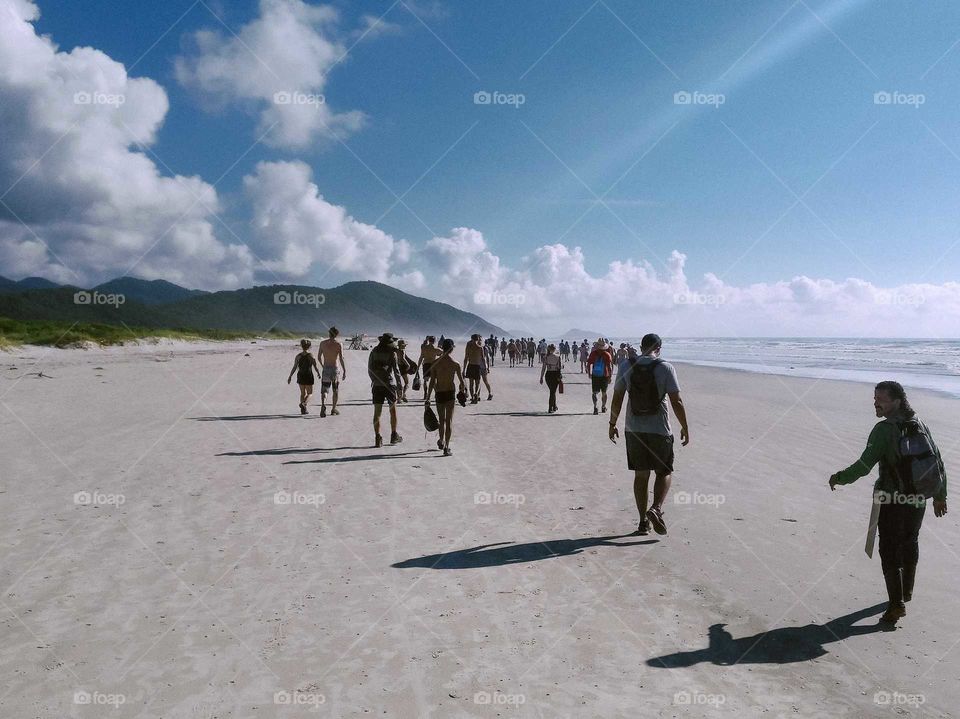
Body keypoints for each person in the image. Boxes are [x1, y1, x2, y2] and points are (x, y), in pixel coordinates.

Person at [829, 381, 948, 625]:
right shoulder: (919, 422)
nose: (875, 403)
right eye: (875, 398)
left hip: (892, 500)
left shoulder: (884, 430)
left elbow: (863, 466)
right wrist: (939, 496)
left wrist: (838, 478)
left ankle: (896, 606)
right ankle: (906, 593)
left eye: (880, 399)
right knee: (910, 541)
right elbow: (938, 461)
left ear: (896, 401)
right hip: (917, 500)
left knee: (889, 550)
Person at [608, 333, 689, 536]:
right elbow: (676, 401)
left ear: (641, 346)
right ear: (659, 348)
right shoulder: (665, 367)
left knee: (641, 475)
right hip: (660, 430)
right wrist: (685, 426)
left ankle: (643, 521)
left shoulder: (626, 366)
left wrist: (612, 423)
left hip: (633, 429)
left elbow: (617, 397)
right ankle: (656, 508)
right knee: (664, 471)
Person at [425, 338, 466, 456]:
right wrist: (462, 391)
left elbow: (432, 382)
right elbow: (462, 382)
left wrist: (428, 397)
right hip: (450, 393)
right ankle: (446, 447)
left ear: (442, 348)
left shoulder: (435, 363)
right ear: (452, 348)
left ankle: (441, 440)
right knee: (449, 421)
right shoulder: (455, 364)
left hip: (439, 393)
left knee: (441, 419)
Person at [368, 333, 403, 447]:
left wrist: (374, 380)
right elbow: (396, 372)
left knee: (377, 412)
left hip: (377, 385)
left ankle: (378, 438)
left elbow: (370, 369)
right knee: (393, 410)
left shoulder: (374, 352)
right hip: (389, 384)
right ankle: (394, 435)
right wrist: (399, 387)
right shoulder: (392, 353)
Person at [317, 327, 346, 417]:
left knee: (325, 389)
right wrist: (344, 370)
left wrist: (323, 366)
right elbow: (341, 358)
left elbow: (318, 357)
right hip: (335, 368)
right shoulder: (338, 344)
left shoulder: (322, 343)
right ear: (336, 334)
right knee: (335, 390)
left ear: (329, 333)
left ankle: (323, 405)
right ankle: (333, 409)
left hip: (326, 368)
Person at [287, 339, 320, 414]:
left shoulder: (298, 356)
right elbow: (315, 366)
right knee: (310, 393)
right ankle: (304, 404)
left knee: (302, 393)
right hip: (308, 375)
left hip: (300, 375)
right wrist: (318, 373)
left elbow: (295, 367)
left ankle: (303, 409)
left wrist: (290, 376)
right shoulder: (311, 355)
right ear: (309, 346)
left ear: (301, 346)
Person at [587, 338, 615, 415]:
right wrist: (610, 377)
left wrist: (589, 373)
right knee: (604, 392)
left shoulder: (593, 354)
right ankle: (603, 407)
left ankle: (595, 407)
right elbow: (609, 367)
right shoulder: (607, 354)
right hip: (604, 375)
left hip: (595, 375)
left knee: (594, 393)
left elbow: (588, 364)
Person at [416, 336, 443, 400]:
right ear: (434, 341)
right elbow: (442, 353)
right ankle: (437, 394)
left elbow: (421, 357)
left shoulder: (424, 348)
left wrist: (418, 366)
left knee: (425, 380)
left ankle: (425, 394)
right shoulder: (436, 349)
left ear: (429, 340)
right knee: (433, 381)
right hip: (433, 364)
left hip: (426, 364)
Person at [539, 343, 563, 413]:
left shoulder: (546, 357)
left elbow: (543, 368)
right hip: (555, 375)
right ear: (555, 349)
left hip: (548, 375)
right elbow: (559, 368)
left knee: (552, 391)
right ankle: (550, 408)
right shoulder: (558, 357)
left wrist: (541, 377)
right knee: (553, 391)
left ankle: (554, 406)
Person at [463, 334, 487, 403]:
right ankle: (476, 394)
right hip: (477, 366)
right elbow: (483, 359)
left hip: (470, 365)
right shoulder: (480, 348)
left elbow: (466, 359)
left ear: (471, 339)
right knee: (478, 383)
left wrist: (464, 369)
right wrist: (485, 367)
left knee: (471, 383)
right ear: (478, 339)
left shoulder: (468, 347)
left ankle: (473, 397)